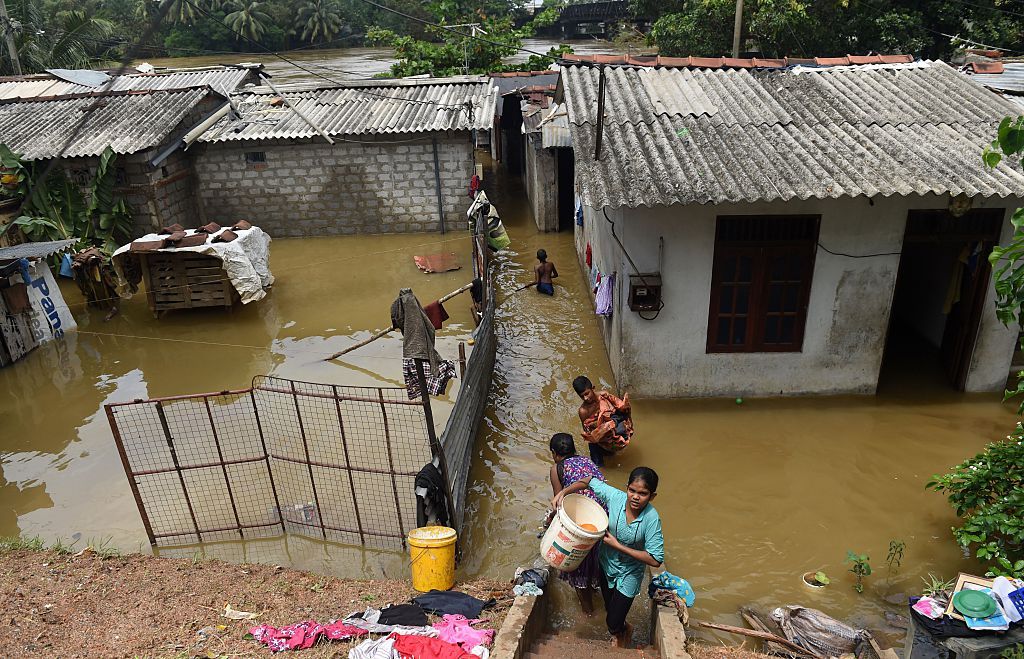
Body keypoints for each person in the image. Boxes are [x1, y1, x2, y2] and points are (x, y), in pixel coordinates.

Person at [552, 467, 663, 648]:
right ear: (626, 487)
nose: (635, 496)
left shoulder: (651, 518)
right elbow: (588, 480)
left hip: (630, 572)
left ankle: (620, 631)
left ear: (652, 496)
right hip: (607, 564)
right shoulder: (616, 497)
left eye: (643, 493)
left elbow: (655, 559)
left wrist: (618, 546)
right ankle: (623, 630)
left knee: (612, 621)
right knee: (609, 609)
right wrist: (563, 493)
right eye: (632, 490)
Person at [547, 433, 606, 615]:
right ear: (574, 449)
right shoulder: (588, 462)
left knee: (578, 566)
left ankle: (588, 614)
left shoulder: (557, 468)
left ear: (554, 453)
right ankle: (602, 605)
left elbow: (560, 503)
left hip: (581, 521)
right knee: (596, 561)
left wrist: (550, 522)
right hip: (603, 517)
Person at [573, 375, 633, 467]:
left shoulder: (604, 396)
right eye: (582, 396)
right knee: (598, 466)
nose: (585, 398)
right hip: (598, 440)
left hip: (612, 432)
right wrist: (598, 427)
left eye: (587, 393)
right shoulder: (583, 411)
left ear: (593, 388)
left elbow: (620, 409)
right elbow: (587, 431)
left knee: (613, 453)